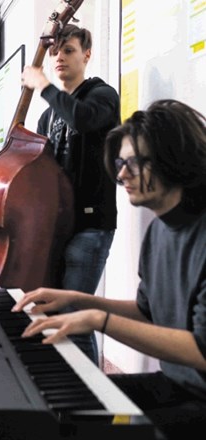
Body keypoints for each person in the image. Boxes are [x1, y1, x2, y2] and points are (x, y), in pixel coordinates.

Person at [12, 99, 206, 440]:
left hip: (198, 398)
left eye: (134, 163)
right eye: (120, 163)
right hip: (177, 385)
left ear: (173, 159)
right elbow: (148, 314)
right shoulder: (159, 229)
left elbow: (201, 351)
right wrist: (80, 301)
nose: (120, 174)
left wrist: (99, 321)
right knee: (61, 407)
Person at [21, 24, 121, 364]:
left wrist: (43, 86)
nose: (59, 57)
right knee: (57, 318)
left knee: (75, 319)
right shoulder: (48, 115)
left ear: (87, 55)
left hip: (91, 226)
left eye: (68, 50)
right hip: (57, 227)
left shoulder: (102, 96)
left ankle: (91, 406)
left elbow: (82, 120)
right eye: (55, 52)